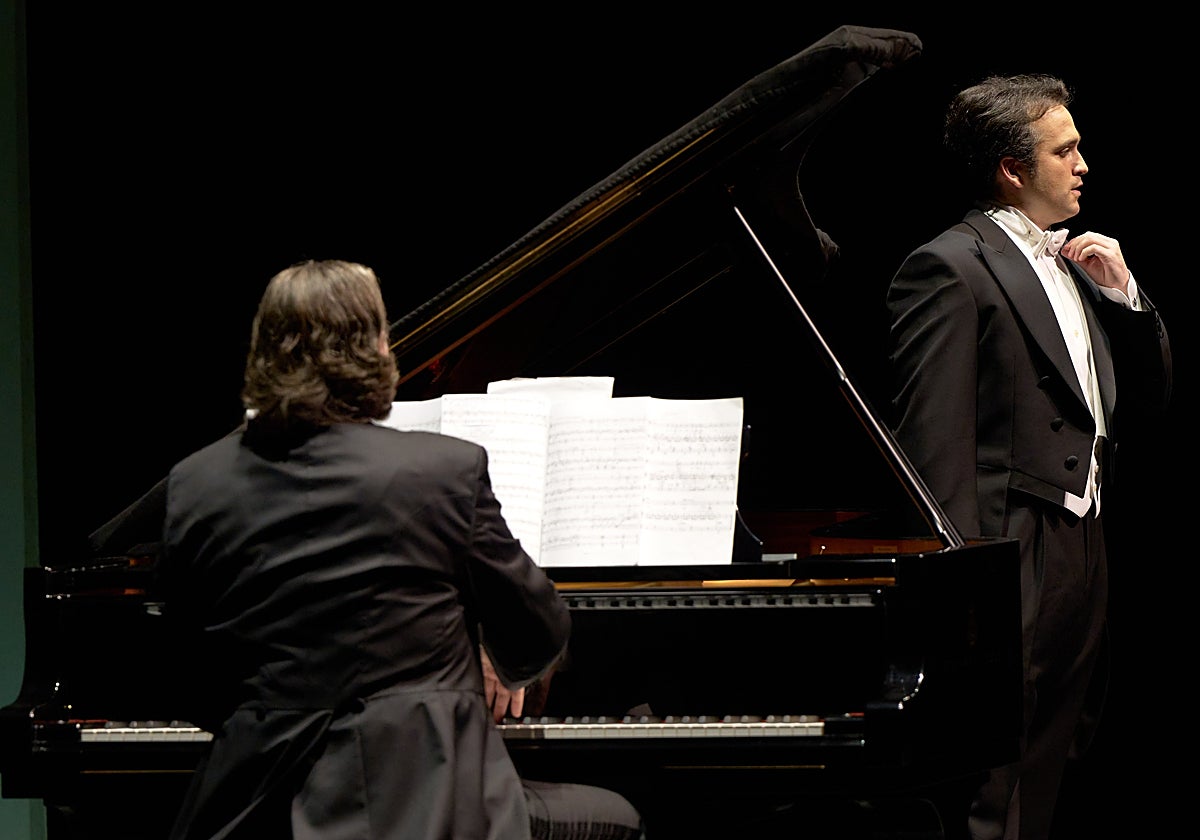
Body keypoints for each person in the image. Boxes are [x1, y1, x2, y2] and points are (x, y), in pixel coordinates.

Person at [153, 258, 646, 839]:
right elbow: (539, 630)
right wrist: (481, 655)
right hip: (431, 806)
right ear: (377, 351)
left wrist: (276, 712)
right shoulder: (443, 470)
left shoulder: (196, 483)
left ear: (263, 351)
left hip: (261, 811)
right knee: (620, 820)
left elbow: (184, 677)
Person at [885, 74, 1171, 840]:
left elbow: (1141, 406)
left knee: (1049, 759)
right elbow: (931, 445)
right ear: (1013, 169)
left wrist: (1122, 297)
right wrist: (964, 586)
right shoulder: (950, 265)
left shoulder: (1075, 266)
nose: (1083, 164)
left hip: (1082, 543)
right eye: (1065, 149)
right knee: (990, 779)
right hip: (1007, 545)